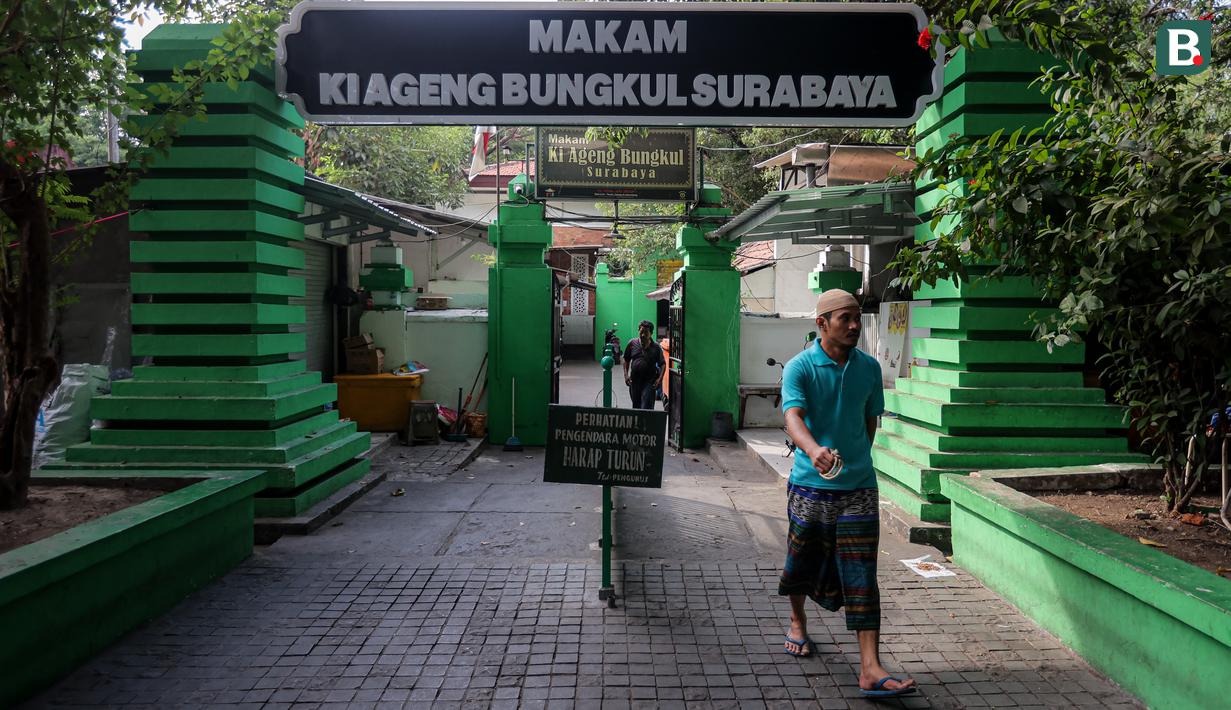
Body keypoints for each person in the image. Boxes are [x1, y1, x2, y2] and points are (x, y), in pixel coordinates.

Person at [777, 288, 916, 698]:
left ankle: (870, 667)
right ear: (822, 324)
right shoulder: (800, 367)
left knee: (861, 574)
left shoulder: (869, 369)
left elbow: (869, 424)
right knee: (801, 559)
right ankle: (798, 622)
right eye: (845, 318)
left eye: (857, 317)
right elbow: (792, 418)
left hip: (858, 488)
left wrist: (853, 463)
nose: (855, 325)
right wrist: (814, 450)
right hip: (809, 485)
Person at [622, 320, 663, 410]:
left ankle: (647, 424)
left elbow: (662, 364)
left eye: (646, 333)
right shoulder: (632, 343)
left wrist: (659, 380)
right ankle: (637, 424)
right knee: (636, 407)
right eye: (641, 332)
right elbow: (626, 360)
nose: (643, 335)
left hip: (649, 382)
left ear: (651, 333)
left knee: (646, 407)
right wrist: (626, 376)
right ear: (638, 331)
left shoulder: (656, 347)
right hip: (634, 381)